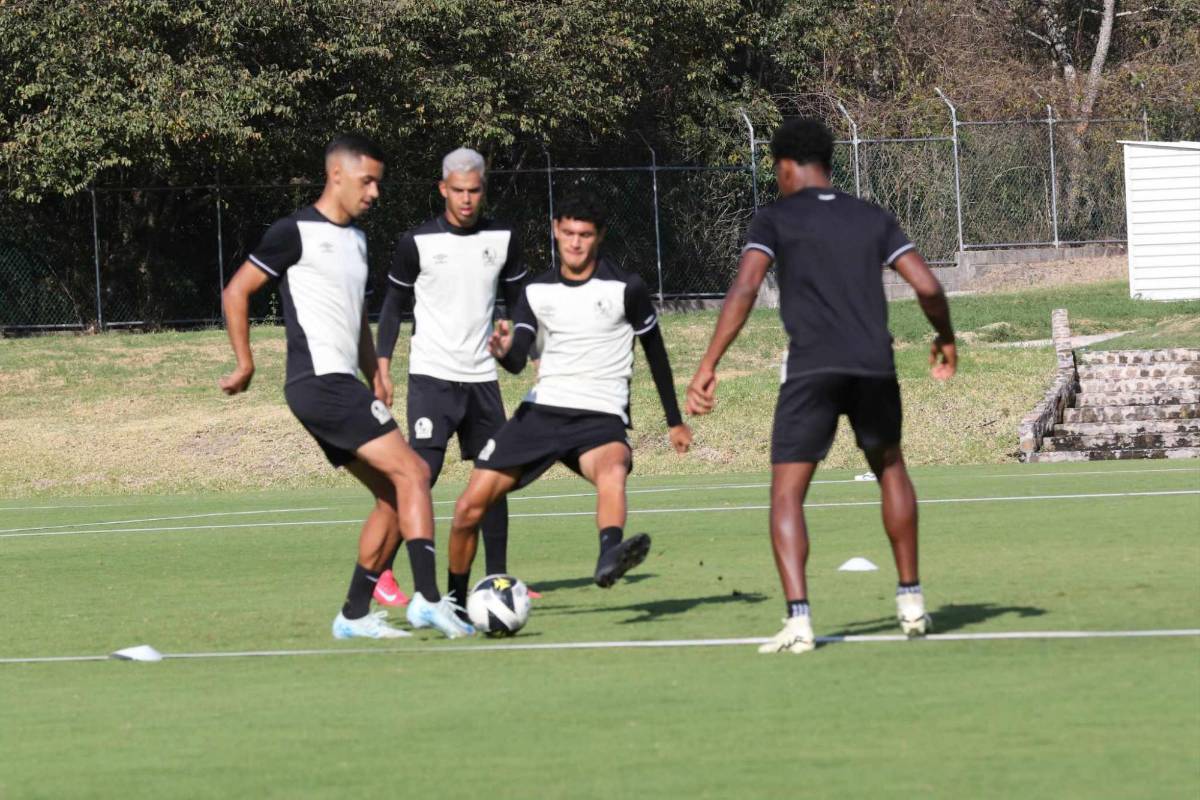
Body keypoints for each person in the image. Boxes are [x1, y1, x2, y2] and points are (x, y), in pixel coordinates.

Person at [686, 118, 956, 654]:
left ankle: (800, 621)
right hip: (874, 365)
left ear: (786, 167)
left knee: (787, 493)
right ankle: (911, 602)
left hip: (811, 367)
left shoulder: (775, 217)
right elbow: (927, 285)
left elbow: (745, 287)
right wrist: (944, 336)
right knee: (891, 468)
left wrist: (709, 363)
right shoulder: (871, 216)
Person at [219, 134, 473, 641]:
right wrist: (245, 362)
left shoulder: (356, 239)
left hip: (343, 382)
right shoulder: (293, 232)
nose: (375, 192)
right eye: (367, 181)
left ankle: (354, 614)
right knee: (414, 472)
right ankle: (427, 600)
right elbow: (236, 291)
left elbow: (355, 318)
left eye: (378, 183)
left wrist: (375, 371)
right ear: (336, 175)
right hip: (318, 383)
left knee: (394, 496)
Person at [445, 193, 693, 603]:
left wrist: (674, 420)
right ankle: (455, 602)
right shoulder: (536, 291)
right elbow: (519, 360)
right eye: (569, 233)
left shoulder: (626, 287)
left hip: (600, 414)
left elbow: (657, 354)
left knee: (613, 470)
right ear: (556, 231)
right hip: (541, 412)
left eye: (585, 234)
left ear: (600, 236)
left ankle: (609, 555)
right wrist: (503, 351)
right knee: (468, 507)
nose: (576, 242)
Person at [373, 147, 529, 607]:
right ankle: (382, 571)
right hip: (432, 377)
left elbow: (521, 303)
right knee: (422, 474)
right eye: (458, 190)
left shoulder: (503, 238)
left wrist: (523, 344)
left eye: (474, 191)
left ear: (484, 189)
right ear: (443, 188)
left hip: (482, 378)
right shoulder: (417, 242)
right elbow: (391, 307)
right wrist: (382, 365)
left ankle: (497, 580)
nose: (466, 199)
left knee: (494, 475)